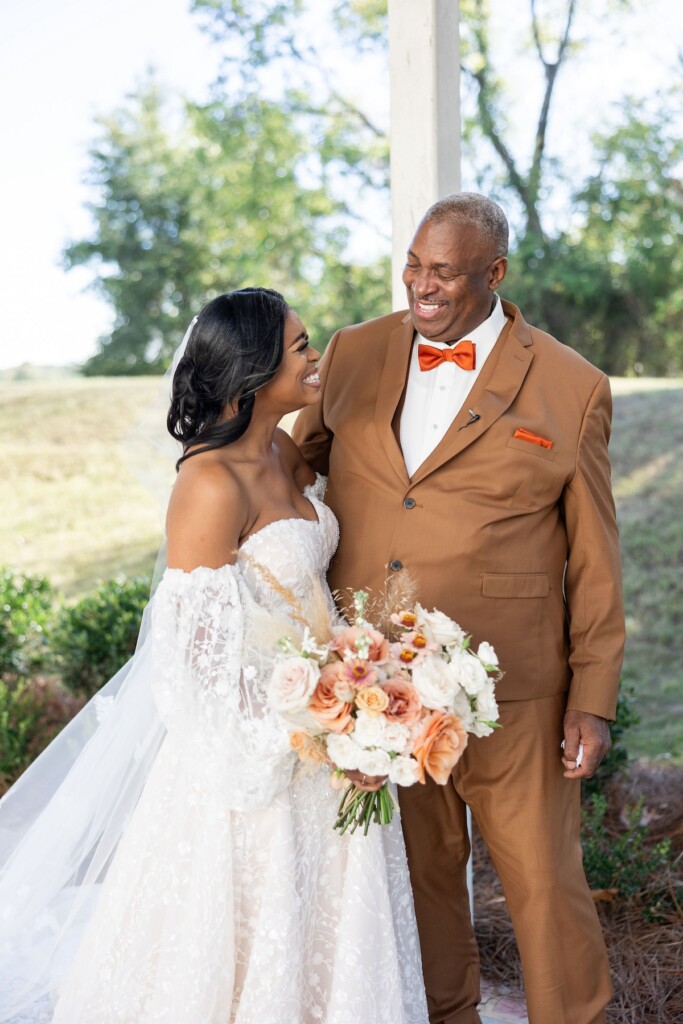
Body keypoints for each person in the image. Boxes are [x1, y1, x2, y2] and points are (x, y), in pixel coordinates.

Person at [0, 288, 428, 1024]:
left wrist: (360, 707)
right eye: (299, 347)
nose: (315, 354)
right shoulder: (206, 485)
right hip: (257, 759)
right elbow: (193, 666)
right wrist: (315, 732)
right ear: (254, 371)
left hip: (332, 726)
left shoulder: (280, 448)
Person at [293, 193, 625, 1024]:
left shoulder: (571, 385)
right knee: (418, 882)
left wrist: (591, 696)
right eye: (412, 264)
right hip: (377, 688)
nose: (421, 284)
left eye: (443, 271)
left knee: (544, 884)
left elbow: (594, 555)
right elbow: (288, 471)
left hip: (511, 689)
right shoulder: (354, 350)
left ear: (495, 273)